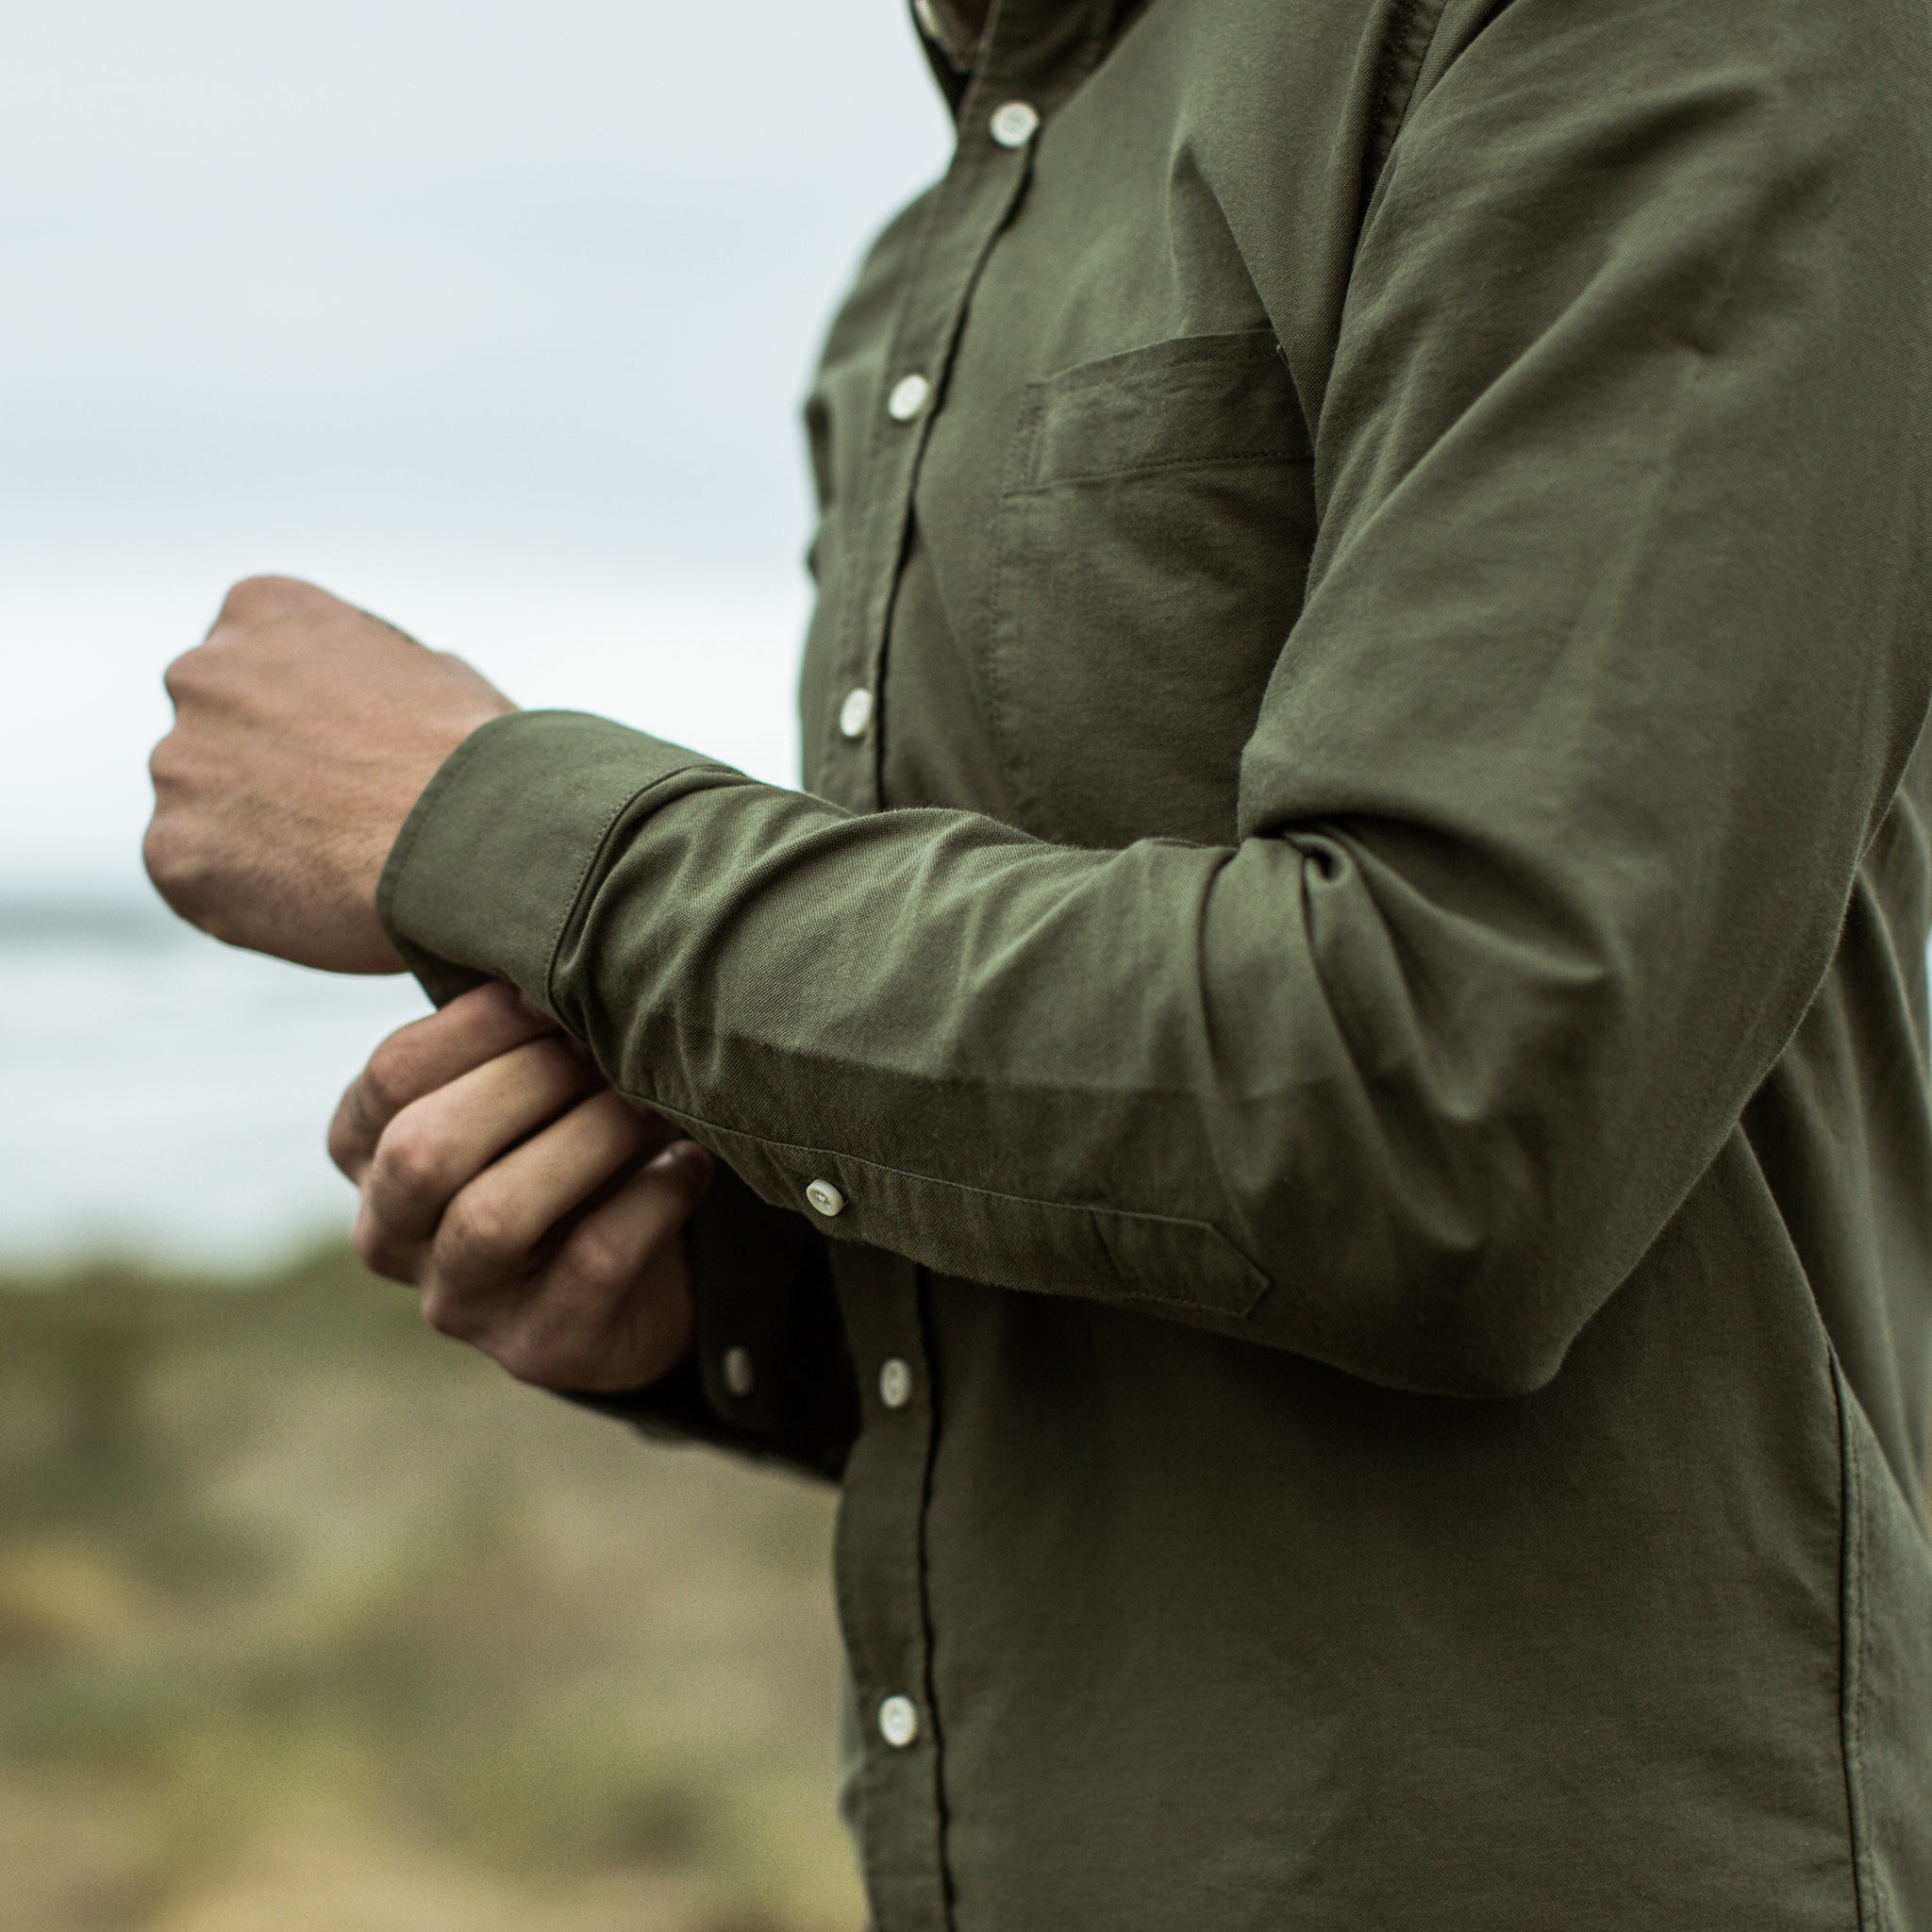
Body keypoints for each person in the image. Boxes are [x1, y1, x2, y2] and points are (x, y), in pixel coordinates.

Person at [143, 0, 1932, 1923]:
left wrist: (498, 825)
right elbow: (1153, 1173)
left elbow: (1449, 1089)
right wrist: (721, 1285)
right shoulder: (917, 279)